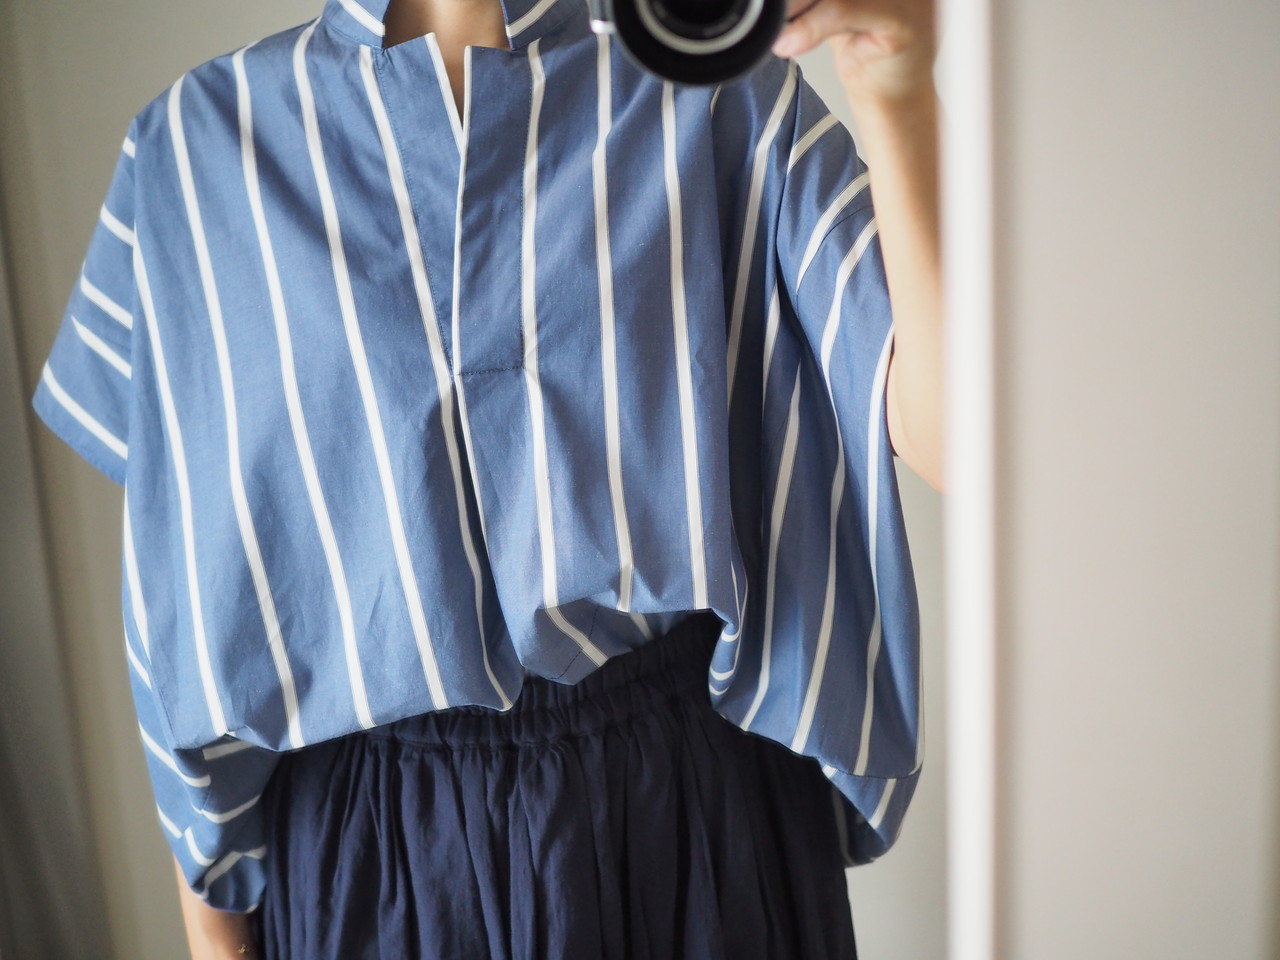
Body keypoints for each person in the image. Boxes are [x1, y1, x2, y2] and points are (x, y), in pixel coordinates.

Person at [29, 0, 940, 954]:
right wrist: (217, 942)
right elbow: (182, 604)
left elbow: (954, 436)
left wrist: (895, 85)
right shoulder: (194, 147)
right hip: (371, 866)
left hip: (689, 823)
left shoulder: (715, 85)